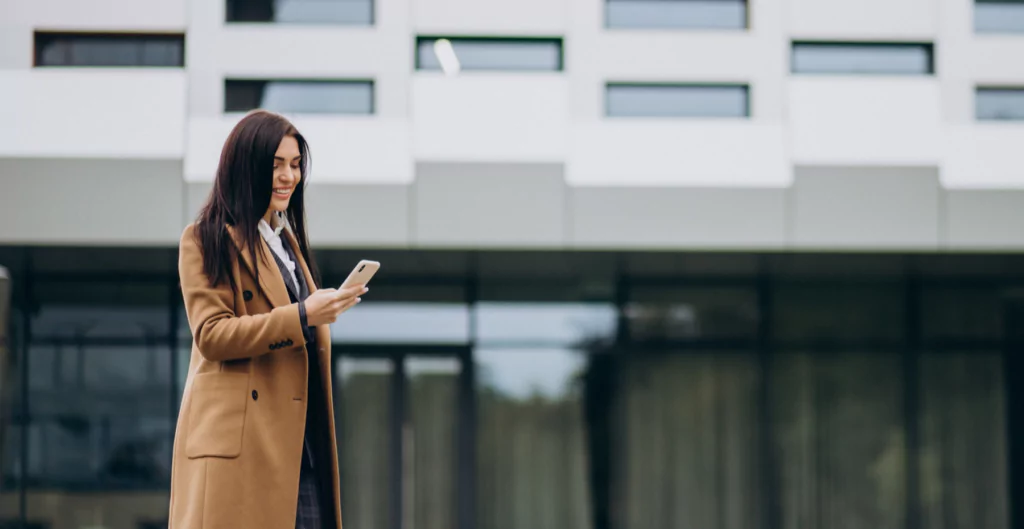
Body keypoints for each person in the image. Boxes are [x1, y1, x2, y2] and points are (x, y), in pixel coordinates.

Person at [170, 110, 364, 529]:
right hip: (245, 448)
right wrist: (302, 316)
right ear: (246, 164)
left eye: (295, 165)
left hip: (300, 445)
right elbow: (212, 334)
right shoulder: (205, 238)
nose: (288, 176)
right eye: (276, 164)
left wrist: (318, 313)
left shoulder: (286, 243)